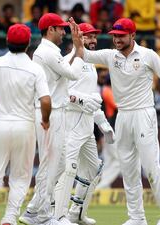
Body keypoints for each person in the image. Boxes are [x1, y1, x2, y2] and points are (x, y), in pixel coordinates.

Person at [82, 18, 160, 225]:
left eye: (121, 36)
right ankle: (136, 218)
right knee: (128, 169)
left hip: (143, 114)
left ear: (132, 35)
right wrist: (77, 39)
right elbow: (84, 54)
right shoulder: (111, 56)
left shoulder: (148, 55)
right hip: (123, 116)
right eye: (114, 36)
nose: (116, 40)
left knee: (151, 166)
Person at [18, 15, 101, 225]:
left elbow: (66, 64)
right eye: (61, 29)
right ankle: (39, 213)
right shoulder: (46, 52)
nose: (64, 32)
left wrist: (76, 47)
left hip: (57, 111)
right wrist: (78, 47)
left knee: (59, 164)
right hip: (50, 112)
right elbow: (72, 74)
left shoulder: (51, 52)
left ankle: (37, 210)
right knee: (50, 164)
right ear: (50, 29)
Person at [0, 23, 52, 225]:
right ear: (28, 44)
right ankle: (9, 218)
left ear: (7, 41)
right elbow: (45, 100)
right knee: (20, 177)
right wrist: (45, 120)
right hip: (24, 126)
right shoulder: (35, 68)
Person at [53, 22, 115, 225]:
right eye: (88, 36)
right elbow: (61, 93)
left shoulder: (89, 62)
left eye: (94, 37)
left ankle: (76, 213)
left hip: (87, 127)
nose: (93, 40)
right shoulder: (68, 60)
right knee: (67, 168)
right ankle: (56, 215)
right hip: (70, 123)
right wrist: (82, 101)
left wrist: (103, 123)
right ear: (77, 37)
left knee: (95, 168)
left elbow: (92, 100)